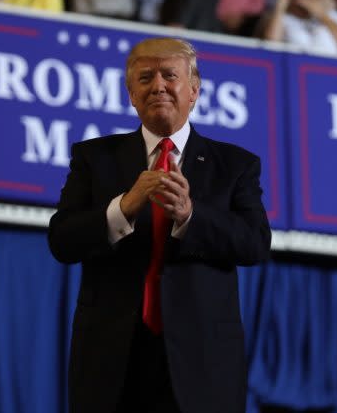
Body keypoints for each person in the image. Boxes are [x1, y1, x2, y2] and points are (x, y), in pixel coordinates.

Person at [48, 37, 271, 413]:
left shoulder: (235, 165)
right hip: (111, 361)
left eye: (170, 75)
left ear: (194, 91)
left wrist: (190, 215)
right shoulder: (94, 158)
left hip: (201, 364)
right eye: (146, 77)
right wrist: (123, 208)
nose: (158, 86)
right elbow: (62, 240)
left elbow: (254, 244)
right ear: (131, 93)